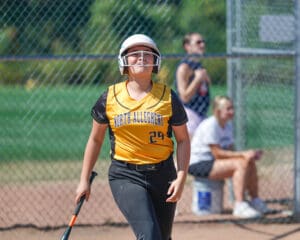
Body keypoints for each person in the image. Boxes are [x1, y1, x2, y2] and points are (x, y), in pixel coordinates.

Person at [75, 34, 190, 240]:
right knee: (149, 236)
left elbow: (182, 140)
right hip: (126, 175)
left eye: (147, 54)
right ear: (124, 61)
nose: (142, 58)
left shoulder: (168, 97)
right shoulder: (110, 97)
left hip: (164, 174)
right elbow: (95, 139)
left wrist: (181, 177)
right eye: (135, 54)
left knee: (163, 237)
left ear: (155, 61)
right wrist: (84, 179)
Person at [188, 95, 270, 219]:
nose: (232, 111)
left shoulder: (228, 125)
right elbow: (217, 153)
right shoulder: (211, 125)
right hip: (198, 163)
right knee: (241, 163)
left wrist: (247, 156)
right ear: (218, 111)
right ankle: (239, 205)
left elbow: (230, 151)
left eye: (232, 108)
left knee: (248, 161)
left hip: (212, 162)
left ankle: (255, 200)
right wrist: (243, 154)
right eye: (228, 109)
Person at [175, 32, 211, 138]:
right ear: (187, 46)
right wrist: (197, 79)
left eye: (203, 42)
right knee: (189, 151)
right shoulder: (184, 67)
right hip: (189, 112)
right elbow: (184, 97)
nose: (202, 45)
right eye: (198, 42)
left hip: (202, 112)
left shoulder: (198, 66)